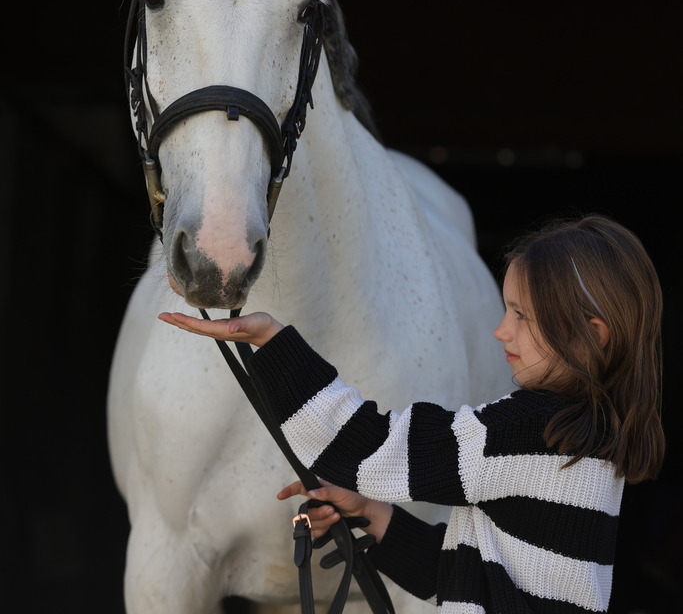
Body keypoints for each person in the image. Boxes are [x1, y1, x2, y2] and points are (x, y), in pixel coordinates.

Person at [158, 214, 665, 614]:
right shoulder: (582, 440)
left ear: (591, 335)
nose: (500, 332)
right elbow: (469, 581)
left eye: (522, 316)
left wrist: (272, 342)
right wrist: (374, 515)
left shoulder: (529, 430)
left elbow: (368, 446)